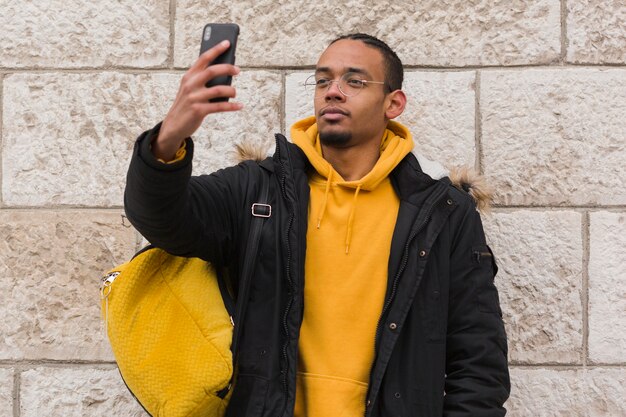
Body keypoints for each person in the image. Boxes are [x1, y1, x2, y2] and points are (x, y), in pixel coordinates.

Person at [125, 33, 510, 417]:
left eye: (354, 81)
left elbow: (477, 357)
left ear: (393, 103)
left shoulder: (442, 212)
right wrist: (169, 138)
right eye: (323, 80)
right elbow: (162, 218)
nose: (333, 92)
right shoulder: (259, 190)